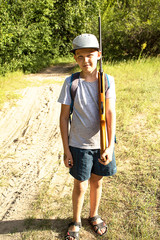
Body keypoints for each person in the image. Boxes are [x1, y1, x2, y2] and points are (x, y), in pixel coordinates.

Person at [58, 33, 117, 240]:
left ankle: (94, 215)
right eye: (80, 56)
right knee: (80, 185)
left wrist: (109, 146)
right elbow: (64, 117)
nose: (86, 61)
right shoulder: (71, 82)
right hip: (78, 145)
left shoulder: (107, 81)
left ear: (99, 55)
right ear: (75, 58)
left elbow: (110, 115)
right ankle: (76, 220)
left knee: (97, 182)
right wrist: (66, 150)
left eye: (90, 55)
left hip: (101, 145)